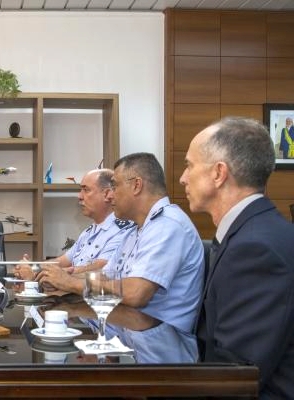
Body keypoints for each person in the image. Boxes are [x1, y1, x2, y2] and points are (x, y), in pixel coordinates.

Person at [180, 116, 294, 398]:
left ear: (219, 173)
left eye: (189, 165)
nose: (183, 177)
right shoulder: (255, 232)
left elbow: (235, 376)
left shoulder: (255, 249)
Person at [94, 152, 204, 363]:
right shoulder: (136, 231)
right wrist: (59, 281)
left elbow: (136, 294)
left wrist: (70, 284)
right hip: (133, 352)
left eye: (114, 186)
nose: (108, 196)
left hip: (163, 364)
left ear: (136, 185)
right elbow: (104, 277)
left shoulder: (168, 226)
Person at [14, 169, 133, 294]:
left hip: (94, 301)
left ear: (107, 194)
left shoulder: (123, 230)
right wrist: (33, 266)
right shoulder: (88, 232)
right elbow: (63, 261)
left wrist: (39, 272)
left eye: (86, 190)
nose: (79, 196)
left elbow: (103, 269)